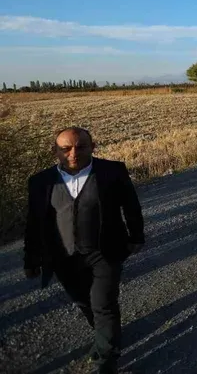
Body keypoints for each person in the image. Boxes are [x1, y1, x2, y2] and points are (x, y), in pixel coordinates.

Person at [24, 127, 144, 374]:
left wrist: (136, 236)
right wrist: (31, 258)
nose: (73, 153)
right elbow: (34, 223)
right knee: (83, 302)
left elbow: (131, 206)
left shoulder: (112, 171)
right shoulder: (40, 182)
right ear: (55, 151)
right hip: (63, 257)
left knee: (104, 303)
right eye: (66, 148)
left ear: (93, 147)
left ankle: (106, 359)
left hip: (104, 253)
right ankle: (105, 333)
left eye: (80, 147)